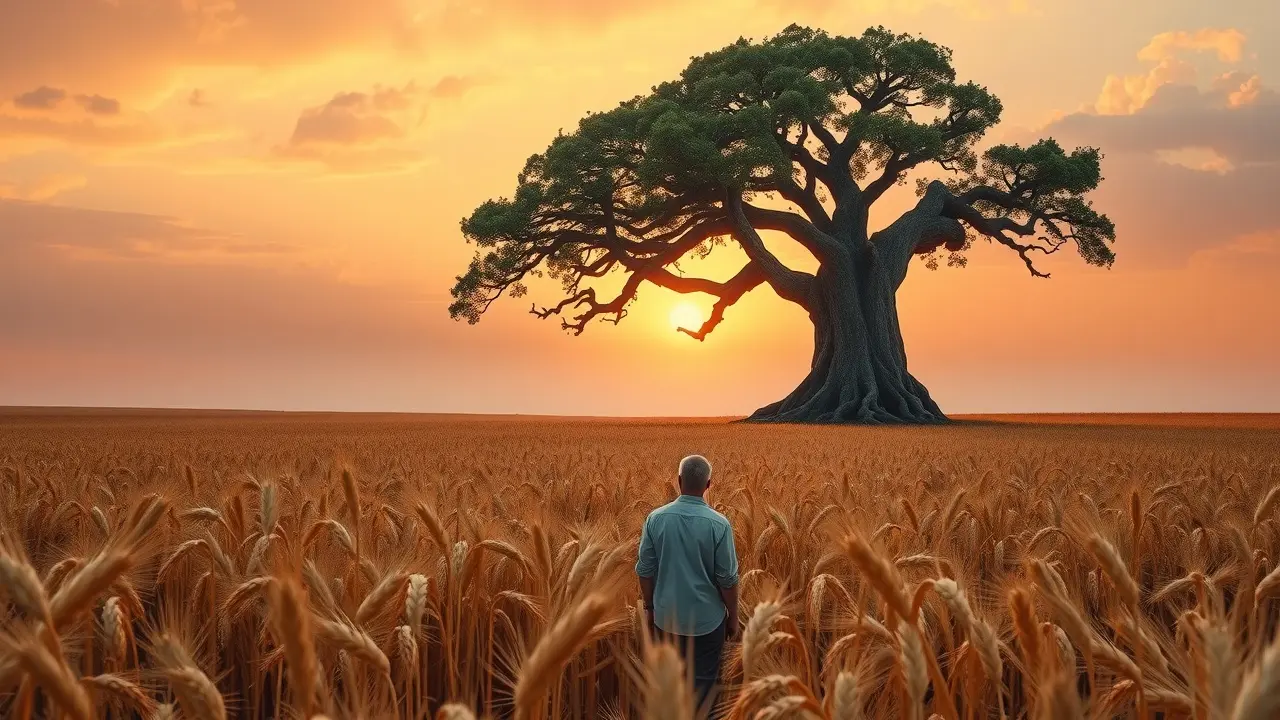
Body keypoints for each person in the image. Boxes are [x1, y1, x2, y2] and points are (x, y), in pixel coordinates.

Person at [635, 454, 740, 717]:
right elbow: (727, 579)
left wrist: (649, 607)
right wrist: (733, 616)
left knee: (669, 689)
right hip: (707, 623)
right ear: (708, 485)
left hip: (666, 619)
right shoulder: (719, 524)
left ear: (679, 481)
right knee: (703, 694)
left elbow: (645, 570)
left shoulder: (655, 519)